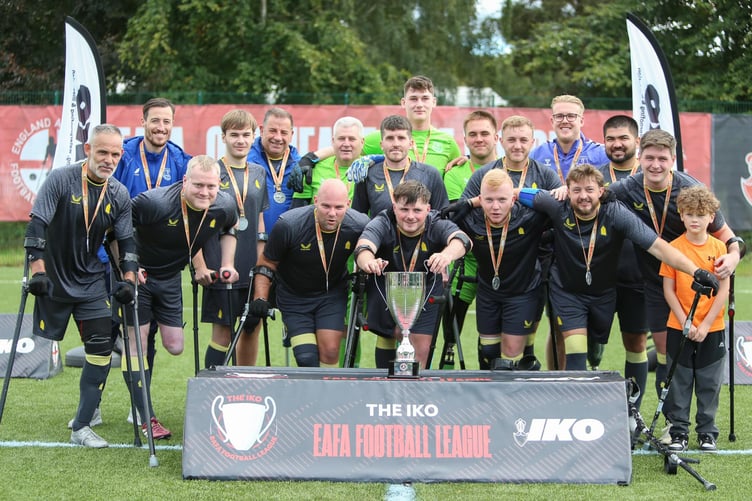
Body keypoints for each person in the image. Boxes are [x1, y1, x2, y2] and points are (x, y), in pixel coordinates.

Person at [517, 163, 720, 371]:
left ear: (601, 191)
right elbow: (511, 193)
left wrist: (696, 271)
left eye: (589, 190)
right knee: (575, 349)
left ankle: (630, 400)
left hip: (602, 293)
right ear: (567, 192)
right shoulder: (555, 204)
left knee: (596, 350)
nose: (583, 196)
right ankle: (576, 402)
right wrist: (482, 201)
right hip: (567, 292)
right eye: (576, 190)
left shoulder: (615, 213)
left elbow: (659, 248)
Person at [607, 129, 743, 404]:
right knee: (664, 350)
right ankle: (669, 420)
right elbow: (590, 196)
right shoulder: (625, 189)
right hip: (655, 284)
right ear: (640, 157)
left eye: (662, 158)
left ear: (672, 160)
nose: (655, 164)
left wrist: (733, 256)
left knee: (688, 353)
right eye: (649, 158)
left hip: (693, 284)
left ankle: (681, 421)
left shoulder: (692, 190)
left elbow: (729, 236)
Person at [24, 124, 138, 448]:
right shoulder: (61, 179)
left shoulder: (118, 193)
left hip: (91, 281)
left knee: (101, 348)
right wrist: (37, 272)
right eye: (103, 152)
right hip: (54, 279)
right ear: (88, 150)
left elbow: (125, 241)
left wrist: (129, 279)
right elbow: (37, 227)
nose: (109, 159)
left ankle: (83, 424)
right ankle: (87, 416)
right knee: (51, 340)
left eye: (115, 154)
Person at [122, 155, 239, 439]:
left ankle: (132, 353)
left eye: (211, 186)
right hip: (140, 276)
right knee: (138, 342)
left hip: (171, 277)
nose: (205, 192)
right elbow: (119, 226)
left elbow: (228, 229)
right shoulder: (155, 202)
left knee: (174, 345)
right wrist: (128, 266)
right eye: (198, 185)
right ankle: (144, 415)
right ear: (185, 181)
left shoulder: (224, 204)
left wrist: (227, 264)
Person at [445, 115, 562, 368]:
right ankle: (491, 384)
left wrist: (521, 198)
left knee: (523, 339)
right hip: (490, 261)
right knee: (490, 342)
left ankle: (521, 382)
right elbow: (464, 211)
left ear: (533, 141)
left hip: (534, 264)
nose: (517, 145)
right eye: (511, 140)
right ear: (500, 141)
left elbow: (558, 214)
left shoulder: (546, 175)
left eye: (523, 140)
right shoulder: (485, 174)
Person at [110, 97, 192, 426]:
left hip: (158, 261)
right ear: (142, 121)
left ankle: (139, 404)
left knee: (148, 336)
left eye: (166, 122)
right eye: (155, 121)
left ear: (173, 125)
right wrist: (123, 262)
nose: (160, 127)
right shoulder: (124, 155)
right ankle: (97, 399)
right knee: (105, 335)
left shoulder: (180, 160)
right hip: (120, 253)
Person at [248, 179, 369, 367]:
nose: (332, 213)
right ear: (315, 201)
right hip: (294, 296)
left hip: (331, 294)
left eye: (338, 207)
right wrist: (260, 299)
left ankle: (326, 396)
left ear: (348, 204)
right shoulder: (289, 225)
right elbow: (266, 263)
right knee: (306, 358)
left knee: (330, 352)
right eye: (325, 206)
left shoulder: (359, 224)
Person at [354, 180, 471, 369]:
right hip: (388, 288)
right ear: (394, 207)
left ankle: (416, 394)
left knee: (420, 350)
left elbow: (463, 240)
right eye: (404, 209)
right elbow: (363, 246)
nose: (410, 216)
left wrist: (446, 255)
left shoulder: (437, 222)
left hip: (427, 289)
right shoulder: (383, 221)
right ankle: (386, 389)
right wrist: (368, 261)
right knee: (387, 337)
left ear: (428, 209)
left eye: (417, 210)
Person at [456, 169, 549, 368]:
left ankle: (512, 398)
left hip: (522, 293)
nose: (496, 207)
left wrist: (525, 193)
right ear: (480, 199)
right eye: (489, 200)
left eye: (502, 199)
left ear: (513, 199)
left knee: (511, 354)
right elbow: (436, 217)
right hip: (488, 294)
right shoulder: (471, 219)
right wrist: (468, 204)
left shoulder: (530, 217)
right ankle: (488, 397)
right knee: (488, 353)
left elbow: (557, 203)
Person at [660, 185, 729, 452]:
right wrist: (685, 321)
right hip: (680, 327)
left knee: (709, 382)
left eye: (701, 214)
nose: (695, 219)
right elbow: (668, 289)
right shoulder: (673, 248)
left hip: (712, 328)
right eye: (689, 213)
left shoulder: (719, 246)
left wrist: (707, 323)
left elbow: (723, 290)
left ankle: (707, 432)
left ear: (712, 217)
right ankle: (678, 432)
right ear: (681, 215)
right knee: (679, 380)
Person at [200, 110, 268, 367]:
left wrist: (263, 265)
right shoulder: (212, 171)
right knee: (223, 332)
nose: (240, 140)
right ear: (224, 137)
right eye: (234, 135)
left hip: (250, 263)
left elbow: (259, 220)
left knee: (251, 326)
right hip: (221, 263)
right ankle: (210, 389)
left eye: (246, 135)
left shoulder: (259, 173)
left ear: (254, 137)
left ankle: (243, 386)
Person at [595, 115, 648, 406]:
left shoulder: (649, 176)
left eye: (623, 138)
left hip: (637, 277)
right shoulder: (594, 176)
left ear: (636, 142)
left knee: (636, 344)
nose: (617, 144)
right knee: (588, 344)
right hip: (598, 276)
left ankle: (632, 415)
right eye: (611, 139)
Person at [351, 115, 449, 217]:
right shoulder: (368, 174)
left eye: (401, 138)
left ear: (410, 143)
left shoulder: (430, 174)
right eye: (390, 138)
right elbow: (358, 219)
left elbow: (441, 217)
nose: (396, 144)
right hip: (380, 233)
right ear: (381, 144)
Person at [530, 95, 609, 182]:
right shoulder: (536, 155)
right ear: (552, 121)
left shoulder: (601, 154)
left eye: (571, 116)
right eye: (559, 116)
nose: (564, 121)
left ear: (581, 121)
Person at [290, 116, 365, 207]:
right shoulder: (313, 170)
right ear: (333, 141)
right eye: (341, 138)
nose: (346, 144)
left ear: (362, 142)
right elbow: (298, 213)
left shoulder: (371, 169)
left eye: (352, 139)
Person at [247, 107, 301, 232]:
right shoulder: (245, 159)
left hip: (286, 244)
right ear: (261, 130)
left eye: (284, 132)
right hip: (251, 241)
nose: (278, 137)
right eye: (272, 131)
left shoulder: (300, 165)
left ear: (291, 135)